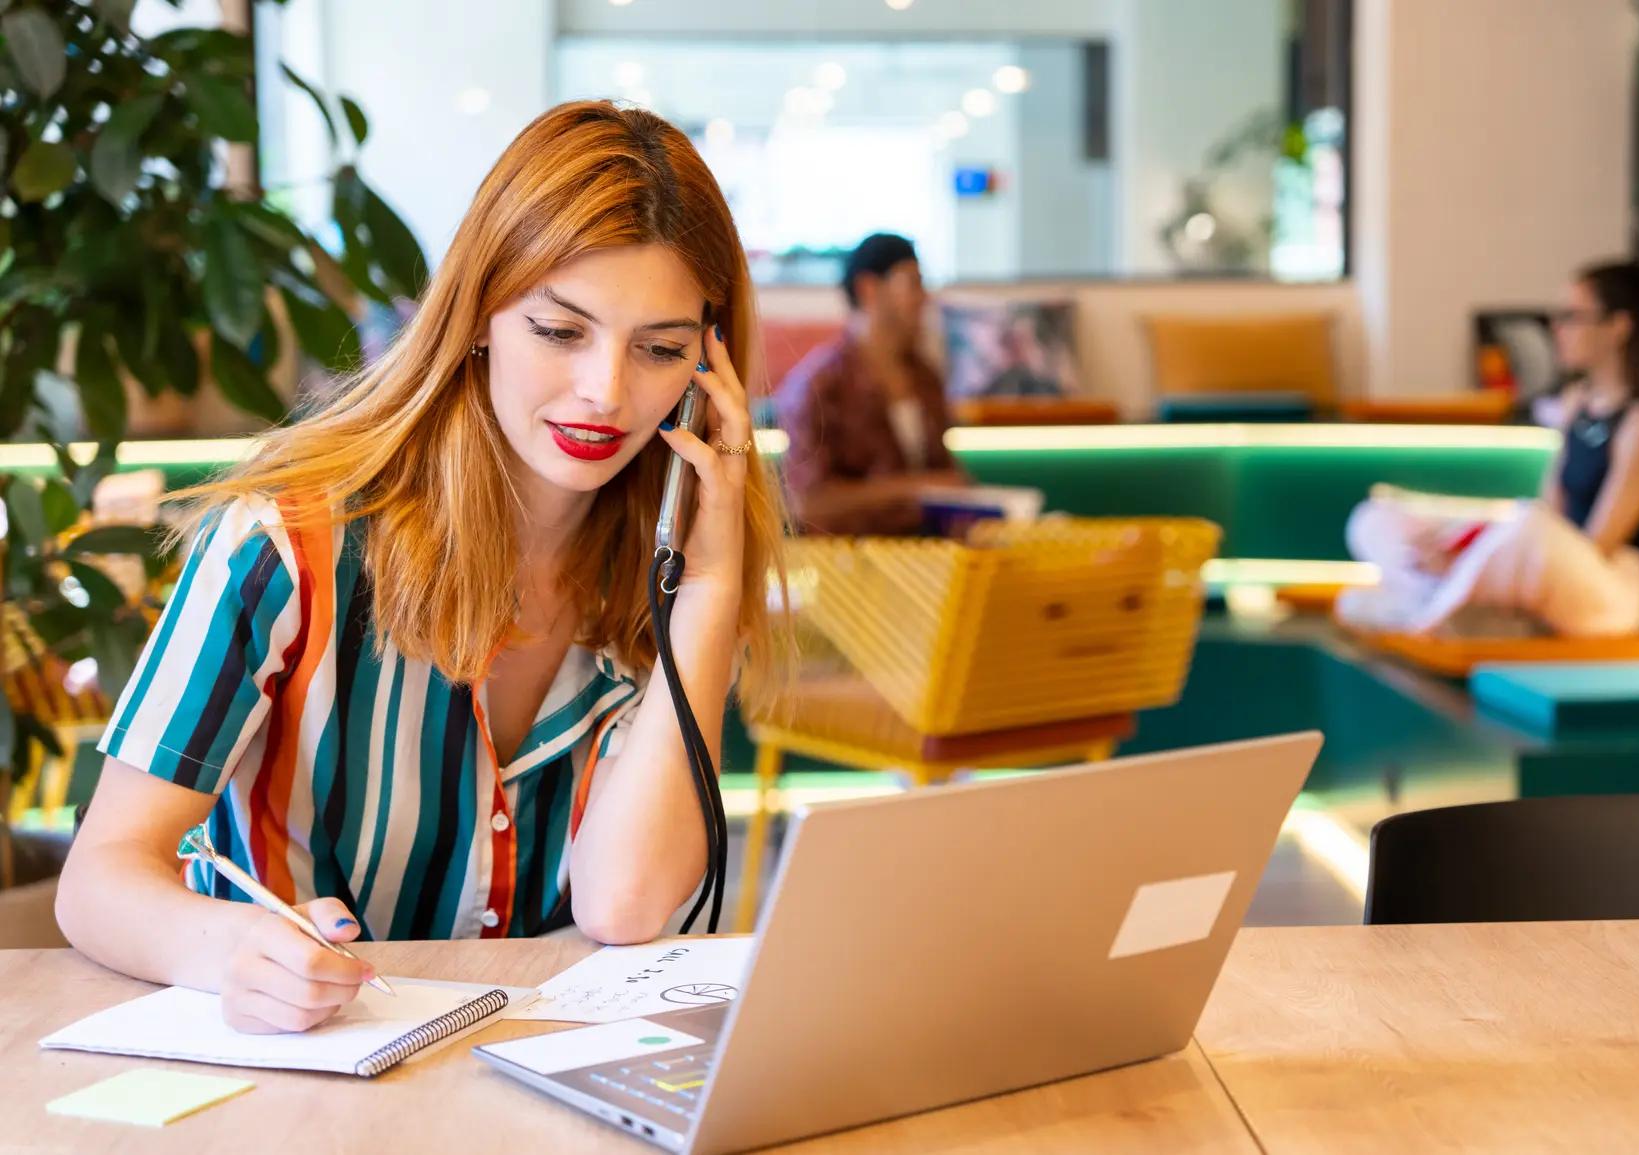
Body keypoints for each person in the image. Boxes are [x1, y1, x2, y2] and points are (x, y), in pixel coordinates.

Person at [55, 102, 786, 1034]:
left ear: (707, 364)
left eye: (660, 349)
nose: (606, 390)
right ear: (480, 313)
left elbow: (626, 905)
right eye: (559, 331)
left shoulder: (664, 572)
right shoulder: (282, 544)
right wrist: (227, 950)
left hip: (524, 1093)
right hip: (298, 1090)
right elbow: (100, 875)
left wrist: (713, 589)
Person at [1340, 258, 1639, 637]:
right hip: (1552, 560)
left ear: (1618, 326)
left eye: (1572, 316)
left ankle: (1427, 616)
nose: (1557, 329)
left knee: (1526, 526)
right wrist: (1460, 543)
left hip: (1609, 584)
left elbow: (1596, 544)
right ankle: (1455, 601)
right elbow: (1551, 507)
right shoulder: (1577, 403)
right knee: (1377, 517)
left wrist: (1480, 550)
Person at [777, 233, 965, 535]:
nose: (924, 297)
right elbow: (807, 502)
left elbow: (945, 475)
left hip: (929, 562)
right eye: (913, 283)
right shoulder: (819, 385)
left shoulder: (925, 375)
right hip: (847, 570)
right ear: (869, 288)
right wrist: (912, 488)